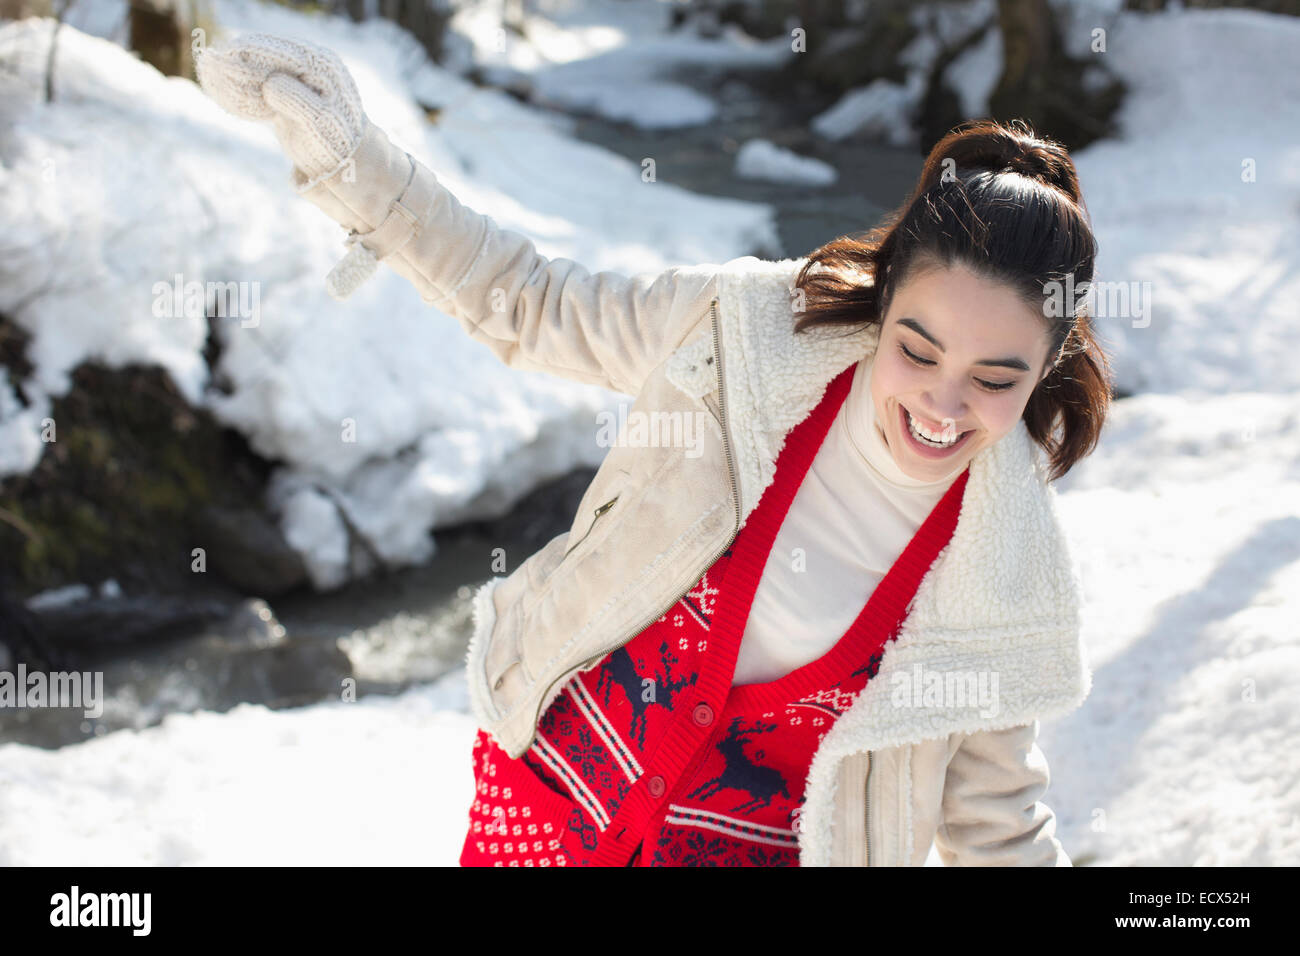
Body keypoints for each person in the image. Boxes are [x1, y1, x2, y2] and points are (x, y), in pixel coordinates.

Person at [195, 32, 1113, 867]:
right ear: (881, 304)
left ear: (1048, 369)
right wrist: (355, 165)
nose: (942, 404)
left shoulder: (1007, 569)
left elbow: (999, 827)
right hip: (549, 801)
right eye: (917, 348)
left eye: (996, 379)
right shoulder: (741, 334)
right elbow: (532, 301)